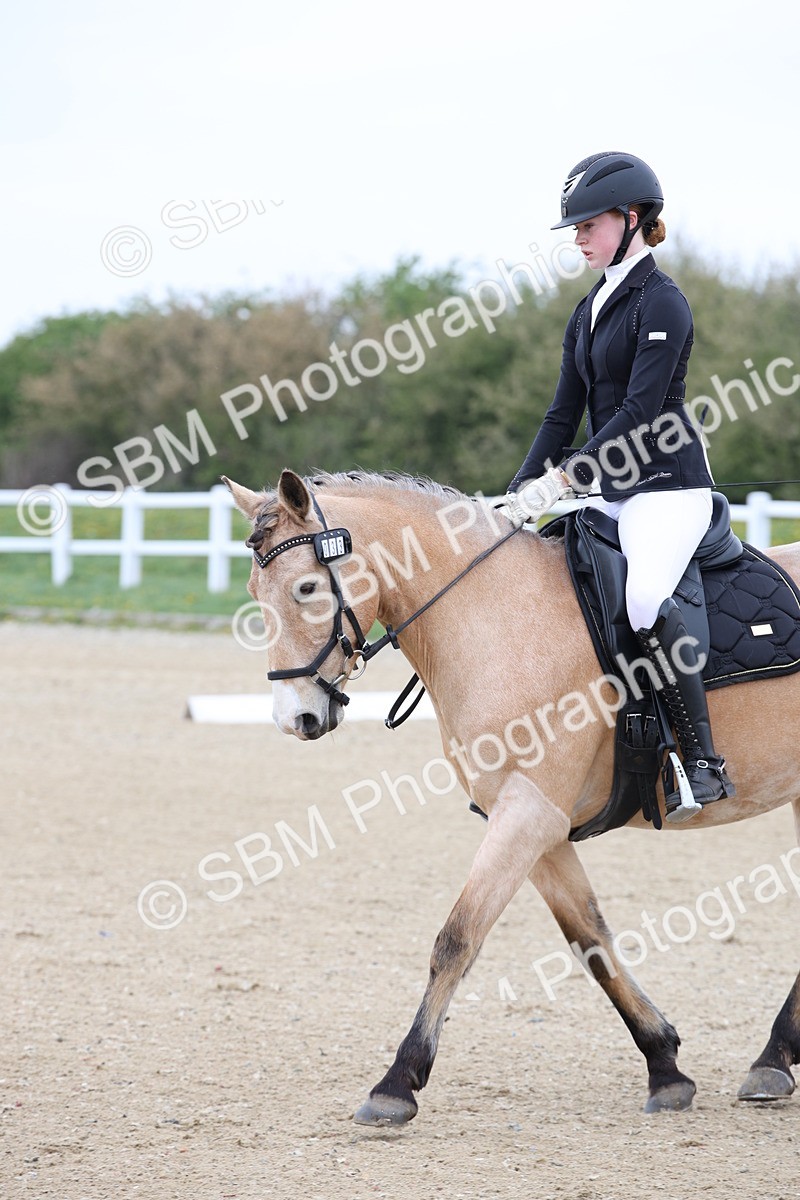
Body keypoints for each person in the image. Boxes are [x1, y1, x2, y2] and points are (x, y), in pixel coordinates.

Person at [503, 150, 735, 823]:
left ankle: (701, 763)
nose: (578, 238)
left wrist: (564, 478)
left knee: (643, 600)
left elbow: (639, 411)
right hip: (610, 490)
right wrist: (516, 494)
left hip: (667, 491)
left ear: (632, 218)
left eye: (589, 225)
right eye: (575, 228)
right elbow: (562, 414)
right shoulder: (588, 309)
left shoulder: (663, 301)